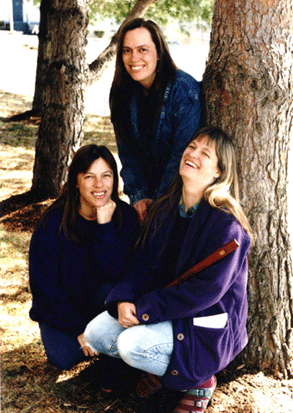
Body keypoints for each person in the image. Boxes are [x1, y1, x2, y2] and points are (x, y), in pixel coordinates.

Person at [84, 126, 254, 412]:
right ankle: (165, 369)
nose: (193, 154)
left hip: (206, 324)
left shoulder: (227, 226)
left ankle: (199, 380)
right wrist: (125, 298)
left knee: (131, 346)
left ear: (219, 173)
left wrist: (145, 308)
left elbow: (204, 292)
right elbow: (143, 263)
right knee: (95, 334)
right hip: (167, 310)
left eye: (205, 153)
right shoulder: (166, 208)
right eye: (192, 146)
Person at [29, 144, 140, 372]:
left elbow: (120, 274)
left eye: (106, 176)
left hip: (101, 304)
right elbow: (45, 287)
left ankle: (107, 348)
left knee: (111, 291)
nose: (99, 185)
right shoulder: (53, 222)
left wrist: (105, 227)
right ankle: (98, 344)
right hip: (62, 308)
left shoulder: (126, 217)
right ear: (76, 181)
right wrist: (79, 329)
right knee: (64, 357)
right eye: (89, 176)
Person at [110, 17, 202, 221]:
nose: (134, 58)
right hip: (146, 200)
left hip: (181, 199)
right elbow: (127, 154)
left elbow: (182, 155)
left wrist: (158, 203)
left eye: (143, 49)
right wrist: (139, 197)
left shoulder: (183, 91)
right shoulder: (121, 93)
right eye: (127, 50)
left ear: (159, 53)